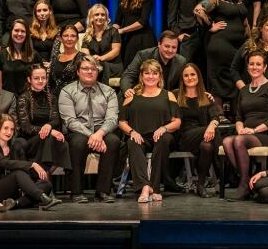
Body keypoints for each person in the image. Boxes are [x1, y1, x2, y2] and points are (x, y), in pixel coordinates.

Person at [58, 55, 121, 203]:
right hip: (78, 130)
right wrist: (91, 135)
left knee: (113, 141)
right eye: (85, 68)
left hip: (101, 129)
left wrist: (99, 134)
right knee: (78, 144)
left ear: (98, 72)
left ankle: (103, 191)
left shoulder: (109, 92)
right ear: (78, 72)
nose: (90, 72)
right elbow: (70, 121)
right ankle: (76, 192)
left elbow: (112, 119)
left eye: (93, 69)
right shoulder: (67, 91)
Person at [118, 59, 182, 202]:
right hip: (140, 136)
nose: (150, 76)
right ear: (141, 76)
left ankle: (155, 187)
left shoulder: (168, 95)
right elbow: (122, 121)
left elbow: (177, 122)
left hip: (162, 136)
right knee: (132, 142)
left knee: (164, 140)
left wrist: (164, 128)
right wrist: (131, 132)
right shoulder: (132, 95)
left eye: (154, 73)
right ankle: (145, 187)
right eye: (147, 73)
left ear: (159, 76)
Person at [222, 51, 268, 200]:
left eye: (258, 64)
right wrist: (240, 129)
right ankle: (247, 178)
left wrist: (253, 130)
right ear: (247, 67)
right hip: (247, 134)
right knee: (226, 141)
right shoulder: (243, 90)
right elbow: (239, 117)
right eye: (251, 64)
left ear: (264, 67)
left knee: (238, 140)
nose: (254, 67)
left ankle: (243, 184)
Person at [0, 114, 62, 210]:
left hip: (14, 191)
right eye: (6, 128)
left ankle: (15, 203)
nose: (9, 132)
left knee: (46, 185)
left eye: (12, 129)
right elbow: (5, 163)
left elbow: (22, 167)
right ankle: (44, 199)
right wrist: (32, 164)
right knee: (18, 173)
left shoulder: (14, 146)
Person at [195, 0, 249, 108]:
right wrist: (210, 25)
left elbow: (244, 21)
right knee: (219, 82)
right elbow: (198, 9)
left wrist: (250, 38)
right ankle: (217, 118)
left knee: (236, 78)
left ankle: (234, 117)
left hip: (238, 46)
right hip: (220, 46)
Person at [174, 63, 224, 198]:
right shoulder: (175, 95)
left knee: (207, 146)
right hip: (183, 137)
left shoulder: (206, 97)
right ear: (182, 79)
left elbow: (216, 116)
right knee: (216, 133)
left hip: (204, 136)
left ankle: (200, 185)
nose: (189, 78)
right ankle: (223, 172)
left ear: (198, 77)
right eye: (186, 75)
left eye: (192, 74)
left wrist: (211, 126)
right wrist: (210, 128)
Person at [16, 64, 71, 171]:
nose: (41, 81)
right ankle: (44, 176)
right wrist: (48, 131)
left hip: (47, 140)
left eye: (43, 78)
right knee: (48, 138)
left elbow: (56, 119)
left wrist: (48, 126)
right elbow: (26, 127)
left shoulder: (52, 97)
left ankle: (44, 175)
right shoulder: (23, 98)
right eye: (36, 78)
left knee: (62, 142)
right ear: (29, 79)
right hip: (31, 140)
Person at [114, 0, 156, 65]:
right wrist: (113, 32)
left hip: (143, 38)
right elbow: (117, 21)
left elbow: (142, 22)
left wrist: (123, 30)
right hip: (128, 38)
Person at [121, 31, 187, 93]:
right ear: (159, 44)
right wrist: (127, 90)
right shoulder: (143, 55)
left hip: (167, 98)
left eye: (174, 47)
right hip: (143, 94)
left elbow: (182, 85)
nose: (170, 50)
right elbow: (128, 75)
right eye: (167, 46)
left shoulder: (181, 62)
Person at [0, 19, 42, 95]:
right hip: (8, 101)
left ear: (27, 34)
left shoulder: (35, 55)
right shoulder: (0, 55)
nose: (19, 34)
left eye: (23, 31)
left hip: (29, 100)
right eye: (16, 30)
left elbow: (40, 81)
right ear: (11, 32)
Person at [81, 4, 123, 84]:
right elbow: (85, 53)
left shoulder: (113, 31)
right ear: (91, 18)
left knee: (97, 68)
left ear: (106, 17)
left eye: (103, 15)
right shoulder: (88, 35)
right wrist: (92, 59)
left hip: (112, 66)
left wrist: (101, 58)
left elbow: (116, 51)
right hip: (94, 65)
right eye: (96, 15)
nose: (100, 17)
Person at [49, 25, 85, 95]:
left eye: (73, 36)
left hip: (74, 99)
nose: (69, 39)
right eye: (65, 36)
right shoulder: (55, 57)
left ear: (77, 39)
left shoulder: (83, 58)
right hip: (54, 99)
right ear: (60, 38)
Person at [29, 0, 60, 65]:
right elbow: (29, 53)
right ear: (35, 13)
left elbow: (58, 54)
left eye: (45, 10)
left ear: (50, 12)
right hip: (34, 66)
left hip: (52, 66)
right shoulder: (30, 32)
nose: (42, 13)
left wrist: (51, 65)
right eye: (39, 11)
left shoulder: (57, 32)